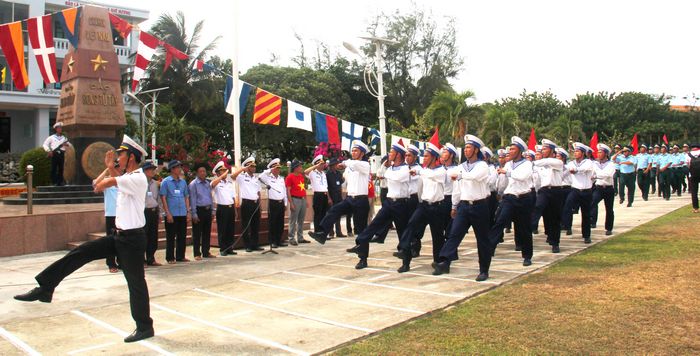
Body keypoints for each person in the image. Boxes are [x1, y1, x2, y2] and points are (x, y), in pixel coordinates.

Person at [15, 135, 154, 343]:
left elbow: (106, 183)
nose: (118, 157)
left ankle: (145, 327)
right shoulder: (129, 177)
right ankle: (45, 288)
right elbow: (116, 179)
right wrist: (110, 168)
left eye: (122, 154)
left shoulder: (138, 177)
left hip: (133, 241)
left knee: (136, 284)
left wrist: (106, 175)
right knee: (82, 252)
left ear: (131, 157)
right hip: (119, 237)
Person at [433, 136, 493, 280]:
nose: (466, 150)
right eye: (465, 147)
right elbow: (457, 189)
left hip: (479, 205)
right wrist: (454, 205)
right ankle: (444, 261)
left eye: (469, 147)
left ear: (476, 149)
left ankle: (484, 270)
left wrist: (459, 175)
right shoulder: (461, 167)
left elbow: (474, 177)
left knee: (482, 239)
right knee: (454, 234)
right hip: (464, 206)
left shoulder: (482, 165)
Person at [348, 142, 411, 269]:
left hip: (401, 203)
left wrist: (388, 174)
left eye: (392, 152)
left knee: (402, 233)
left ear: (398, 154)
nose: (389, 154)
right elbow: (383, 174)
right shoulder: (390, 168)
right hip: (389, 202)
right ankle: (360, 244)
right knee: (373, 225)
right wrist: (387, 171)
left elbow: (396, 177)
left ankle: (406, 262)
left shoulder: (405, 168)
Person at [308, 141, 371, 245]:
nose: (354, 152)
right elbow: (345, 178)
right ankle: (323, 233)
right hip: (350, 198)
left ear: (362, 153)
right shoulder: (350, 167)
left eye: (356, 151)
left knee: (361, 230)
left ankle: (362, 256)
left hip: (361, 200)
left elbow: (354, 164)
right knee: (334, 210)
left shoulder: (365, 164)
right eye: (353, 151)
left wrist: (344, 163)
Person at [395, 142, 445, 272]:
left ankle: (439, 263)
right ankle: (404, 251)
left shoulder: (441, 171)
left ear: (434, 157)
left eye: (427, 156)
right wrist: (420, 201)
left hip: (436, 207)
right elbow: (420, 188)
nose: (425, 159)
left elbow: (431, 175)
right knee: (411, 226)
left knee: (437, 237)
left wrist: (418, 171)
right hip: (424, 205)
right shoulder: (424, 171)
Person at [488, 136, 535, 266]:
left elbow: (522, 177)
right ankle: (489, 249)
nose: (510, 151)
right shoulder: (509, 164)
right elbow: (503, 180)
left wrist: (507, 173)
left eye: (513, 149)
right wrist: (500, 192)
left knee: (524, 228)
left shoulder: (527, 164)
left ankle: (527, 256)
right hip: (509, 197)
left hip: (524, 198)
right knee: (499, 222)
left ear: (519, 151)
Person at [530, 139, 564, 253]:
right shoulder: (541, 164)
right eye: (542, 149)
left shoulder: (558, 162)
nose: (542, 151)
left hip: (556, 191)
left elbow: (542, 162)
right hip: (544, 190)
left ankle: (555, 243)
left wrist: (534, 161)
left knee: (554, 218)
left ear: (551, 150)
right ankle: (530, 227)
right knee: (538, 208)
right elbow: (538, 180)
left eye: (545, 148)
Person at [562, 143, 595, 244]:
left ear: (583, 153)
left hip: (586, 191)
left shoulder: (588, 162)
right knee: (567, 206)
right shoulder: (571, 163)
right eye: (574, 151)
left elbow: (585, 169)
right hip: (575, 190)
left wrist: (575, 170)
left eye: (577, 151)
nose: (575, 153)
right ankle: (567, 226)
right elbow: (565, 172)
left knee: (586, 214)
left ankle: (586, 235)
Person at [160, 160, 191, 263]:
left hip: (182, 212)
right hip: (172, 213)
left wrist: (188, 211)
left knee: (182, 236)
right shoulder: (166, 182)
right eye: (177, 167)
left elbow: (186, 197)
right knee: (171, 236)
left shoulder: (183, 182)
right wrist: (167, 212)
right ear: (172, 169)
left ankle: (180, 256)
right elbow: (163, 197)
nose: (179, 169)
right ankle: (170, 257)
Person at [232, 157, 264, 252]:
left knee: (255, 225)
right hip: (246, 203)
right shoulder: (242, 177)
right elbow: (233, 176)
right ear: (247, 167)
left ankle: (255, 244)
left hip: (255, 203)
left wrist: (260, 206)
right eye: (251, 166)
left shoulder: (256, 178)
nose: (254, 168)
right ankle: (247, 245)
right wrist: (242, 169)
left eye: (254, 166)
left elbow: (259, 192)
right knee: (246, 225)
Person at [93, 168, 119, 272]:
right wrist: (107, 169)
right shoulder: (107, 182)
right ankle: (111, 263)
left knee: (122, 240)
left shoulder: (121, 180)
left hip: (122, 215)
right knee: (111, 240)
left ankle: (121, 262)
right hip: (111, 214)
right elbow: (96, 184)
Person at [259, 158, 288, 248]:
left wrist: (285, 203)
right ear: (272, 169)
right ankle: (273, 241)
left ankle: (279, 240)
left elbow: (284, 191)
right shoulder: (268, 178)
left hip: (281, 202)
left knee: (280, 223)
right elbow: (260, 176)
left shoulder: (281, 178)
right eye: (276, 168)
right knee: (273, 223)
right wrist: (270, 170)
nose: (278, 170)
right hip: (273, 203)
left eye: (279, 168)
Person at [189, 164, 215, 260]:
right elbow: (193, 199)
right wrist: (194, 213)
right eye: (201, 171)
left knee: (206, 232)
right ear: (197, 173)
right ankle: (197, 253)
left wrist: (212, 210)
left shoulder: (207, 183)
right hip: (199, 210)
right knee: (197, 233)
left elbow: (210, 197)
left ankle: (206, 251)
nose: (203, 173)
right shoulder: (193, 184)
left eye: (204, 171)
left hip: (207, 209)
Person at [211, 161, 237, 256]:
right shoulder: (216, 182)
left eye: (225, 170)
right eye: (222, 171)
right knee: (223, 229)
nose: (225, 172)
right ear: (218, 173)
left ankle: (230, 247)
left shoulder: (229, 183)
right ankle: (223, 248)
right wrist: (221, 177)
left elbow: (233, 197)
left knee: (230, 229)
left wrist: (234, 209)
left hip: (230, 207)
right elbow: (212, 185)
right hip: (222, 208)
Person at [591, 144, 616, 236]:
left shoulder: (611, 164)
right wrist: (596, 176)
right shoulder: (595, 164)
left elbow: (608, 174)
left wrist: (597, 175)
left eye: (601, 152)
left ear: (606, 154)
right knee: (592, 203)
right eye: (598, 152)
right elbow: (592, 176)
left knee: (609, 209)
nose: (598, 154)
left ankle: (609, 228)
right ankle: (591, 221)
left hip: (608, 188)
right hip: (599, 187)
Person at [405, 144, 424, 256]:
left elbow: (408, 177)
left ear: (415, 157)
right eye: (406, 155)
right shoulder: (403, 167)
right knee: (407, 223)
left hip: (414, 198)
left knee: (415, 224)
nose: (407, 157)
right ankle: (406, 246)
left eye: (410, 155)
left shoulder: (418, 169)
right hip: (405, 199)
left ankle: (415, 247)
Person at [306, 155, 331, 240]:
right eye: (321, 164)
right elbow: (305, 172)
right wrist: (315, 166)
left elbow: (326, 187)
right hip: (317, 195)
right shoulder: (312, 173)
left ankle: (323, 233)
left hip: (324, 195)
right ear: (317, 164)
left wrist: (328, 198)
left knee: (324, 215)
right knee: (318, 215)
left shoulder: (323, 173)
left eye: (323, 164)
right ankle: (317, 232)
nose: (323, 165)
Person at [142, 161, 162, 266]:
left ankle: (151, 258)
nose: (153, 171)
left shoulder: (155, 184)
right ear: (145, 171)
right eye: (151, 169)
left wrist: (159, 214)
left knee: (153, 236)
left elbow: (157, 199)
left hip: (153, 211)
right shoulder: (140, 183)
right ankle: (142, 260)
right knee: (143, 236)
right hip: (143, 212)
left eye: (153, 169)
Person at [285, 159, 309, 245]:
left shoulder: (301, 177)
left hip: (302, 199)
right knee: (293, 219)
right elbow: (288, 190)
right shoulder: (290, 177)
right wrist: (291, 203)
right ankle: (291, 238)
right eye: (299, 166)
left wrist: (305, 200)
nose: (301, 167)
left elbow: (303, 188)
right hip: (295, 199)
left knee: (301, 219)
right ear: (295, 167)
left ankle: (300, 237)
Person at [42, 122, 71, 186]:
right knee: (54, 168)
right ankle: (54, 182)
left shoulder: (64, 138)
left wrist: (67, 144)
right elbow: (45, 144)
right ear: (56, 129)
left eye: (61, 128)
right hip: (54, 153)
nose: (60, 129)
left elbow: (69, 144)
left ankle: (60, 182)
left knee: (61, 168)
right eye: (58, 128)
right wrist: (48, 150)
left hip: (62, 154)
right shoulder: (51, 137)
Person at [326, 158, 347, 237]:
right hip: (332, 196)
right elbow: (326, 187)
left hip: (338, 196)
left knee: (338, 214)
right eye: (335, 165)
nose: (336, 166)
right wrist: (329, 198)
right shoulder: (328, 174)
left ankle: (339, 232)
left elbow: (340, 184)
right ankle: (331, 232)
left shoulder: (338, 173)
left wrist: (341, 195)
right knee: (331, 214)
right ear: (331, 166)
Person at [687, 144, 700, 213]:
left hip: (693, 175)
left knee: (694, 192)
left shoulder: (688, 154)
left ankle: (696, 208)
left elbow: (688, 165)